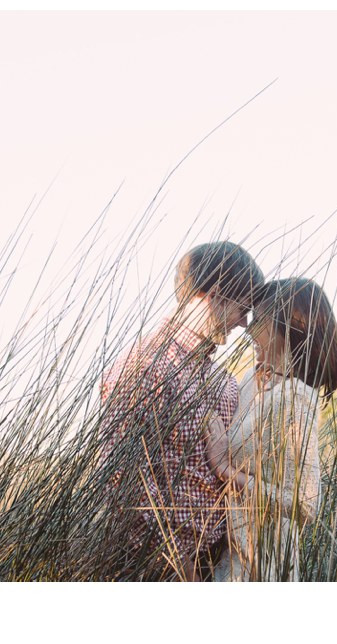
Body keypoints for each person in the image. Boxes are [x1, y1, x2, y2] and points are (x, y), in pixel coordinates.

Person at [99, 241, 263, 581]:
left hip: (217, 566)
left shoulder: (226, 383)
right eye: (242, 308)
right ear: (215, 295)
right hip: (155, 570)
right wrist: (180, 567)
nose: (245, 323)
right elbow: (125, 483)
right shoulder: (143, 366)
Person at [204, 277, 337, 581]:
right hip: (220, 556)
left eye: (260, 321)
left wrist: (226, 470)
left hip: (259, 568)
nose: (250, 331)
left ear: (289, 328)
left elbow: (305, 504)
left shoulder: (298, 398)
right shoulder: (250, 382)